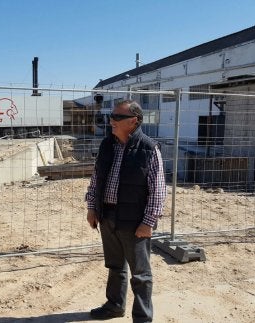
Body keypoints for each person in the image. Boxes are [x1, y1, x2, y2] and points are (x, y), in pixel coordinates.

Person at [85, 100, 166, 322]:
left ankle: (142, 318)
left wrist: (148, 222)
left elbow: (158, 191)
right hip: (107, 217)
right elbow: (96, 180)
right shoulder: (107, 145)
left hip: (134, 222)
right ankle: (114, 306)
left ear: (133, 121)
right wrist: (92, 208)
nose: (111, 120)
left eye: (117, 117)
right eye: (111, 116)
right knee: (115, 266)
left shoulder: (149, 149)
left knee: (140, 275)